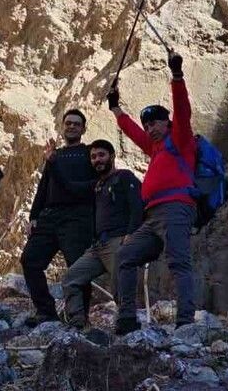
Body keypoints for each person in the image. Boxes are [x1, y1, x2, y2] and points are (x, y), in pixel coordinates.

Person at [108, 52, 197, 332]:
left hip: (175, 209)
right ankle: (126, 318)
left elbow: (182, 109)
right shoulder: (155, 148)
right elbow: (133, 132)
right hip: (152, 216)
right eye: (148, 125)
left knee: (179, 262)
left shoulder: (180, 139)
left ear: (166, 123)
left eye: (155, 123)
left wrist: (177, 76)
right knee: (125, 257)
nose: (150, 129)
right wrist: (116, 110)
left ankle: (185, 323)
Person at [20, 109, 97, 324]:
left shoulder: (89, 152)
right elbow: (44, 186)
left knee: (77, 267)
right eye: (68, 123)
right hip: (50, 216)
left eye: (76, 124)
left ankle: (79, 316)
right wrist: (34, 215)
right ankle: (46, 311)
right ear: (63, 127)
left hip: (77, 217)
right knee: (30, 261)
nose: (71, 127)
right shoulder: (56, 155)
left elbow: (92, 185)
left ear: (83, 129)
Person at [60, 139, 143, 330]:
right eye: (93, 157)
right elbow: (71, 188)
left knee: (120, 284)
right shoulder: (97, 185)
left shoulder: (125, 177)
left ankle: (128, 322)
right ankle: (77, 322)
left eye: (101, 155)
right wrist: (53, 163)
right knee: (70, 278)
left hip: (117, 240)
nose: (97, 160)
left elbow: (137, 206)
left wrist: (131, 234)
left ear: (112, 156)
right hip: (97, 246)